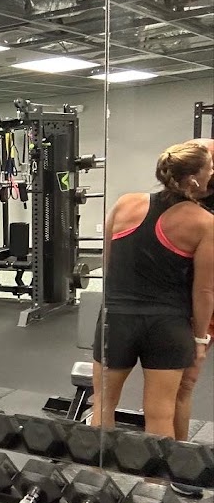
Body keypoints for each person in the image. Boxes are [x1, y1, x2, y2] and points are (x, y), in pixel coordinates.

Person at [92, 142, 214, 440]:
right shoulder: (205, 222)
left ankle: (94, 467)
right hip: (167, 326)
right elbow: (204, 291)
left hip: (117, 320)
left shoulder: (125, 203)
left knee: (103, 404)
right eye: (210, 168)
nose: (213, 173)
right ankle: (157, 472)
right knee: (160, 414)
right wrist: (200, 339)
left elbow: (108, 264)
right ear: (194, 178)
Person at [174, 138, 214, 438]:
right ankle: (178, 453)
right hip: (198, 296)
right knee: (183, 383)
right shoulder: (186, 205)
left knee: (183, 384)